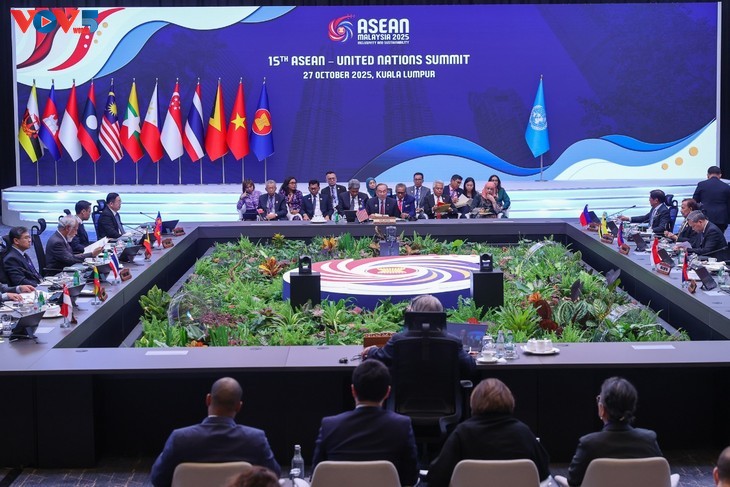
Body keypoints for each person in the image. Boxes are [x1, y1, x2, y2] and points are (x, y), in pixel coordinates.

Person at [150, 377, 280, 487]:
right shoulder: (255, 439)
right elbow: (274, 476)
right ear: (239, 406)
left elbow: (158, 479)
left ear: (208, 399)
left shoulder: (179, 438)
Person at [426, 378, 551, 487]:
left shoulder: (462, 433)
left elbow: (436, 477)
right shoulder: (523, 432)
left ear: (474, 402)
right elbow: (543, 474)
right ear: (510, 401)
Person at [312, 360, 418, 487]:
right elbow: (410, 479)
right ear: (388, 392)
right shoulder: (402, 425)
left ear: (353, 390)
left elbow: (316, 477)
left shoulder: (329, 426)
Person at [564, 376, 663, 486]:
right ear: (632, 407)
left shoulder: (589, 444)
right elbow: (661, 476)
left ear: (601, 409)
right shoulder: (649, 440)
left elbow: (573, 481)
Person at [362, 295, 475, 379]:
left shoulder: (398, 341)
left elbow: (379, 358)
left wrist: (372, 350)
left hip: (403, 401)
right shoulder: (452, 342)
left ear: (412, 315)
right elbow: (469, 367)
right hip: (446, 402)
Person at [693, 166, 730, 233]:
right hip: (721, 218)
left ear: (708, 175)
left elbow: (694, 201)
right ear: (720, 175)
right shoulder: (726, 187)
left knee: (705, 236)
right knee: (719, 236)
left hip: (706, 217)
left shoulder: (702, 184)